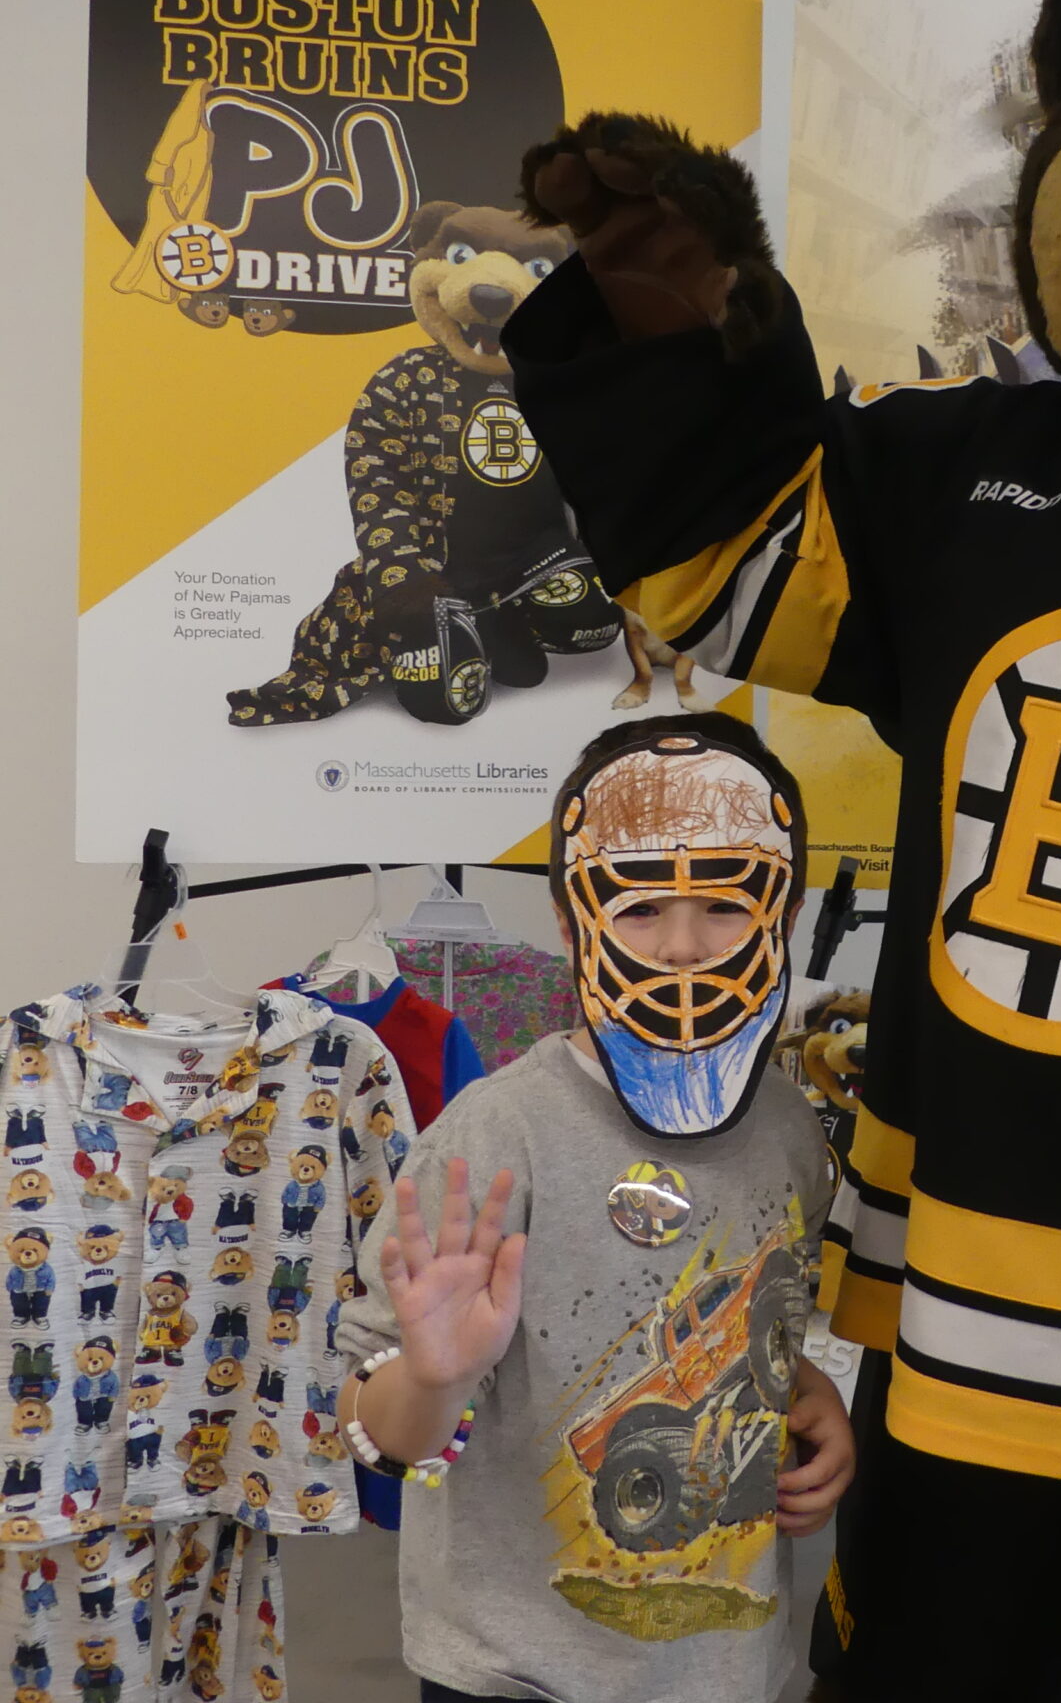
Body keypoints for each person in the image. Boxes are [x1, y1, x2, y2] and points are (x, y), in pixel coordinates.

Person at [334, 713, 853, 1703]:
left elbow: (767, 1323)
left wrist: (804, 1400)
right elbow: (374, 1429)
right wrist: (434, 1379)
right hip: (516, 1680)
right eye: (642, 906)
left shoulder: (791, 1129)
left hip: (733, 1676)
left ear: (781, 917)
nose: (686, 950)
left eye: (727, 907)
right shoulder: (498, 1137)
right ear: (574, 924)